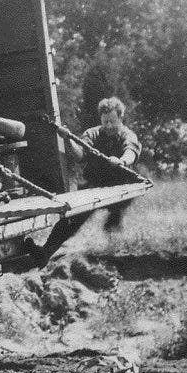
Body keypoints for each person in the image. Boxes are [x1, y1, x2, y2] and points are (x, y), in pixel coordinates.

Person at [26, 96, 142, 265]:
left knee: (113, 223)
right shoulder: (92, 134)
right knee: (70, 220)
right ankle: (44, 254)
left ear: (121, 118)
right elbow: (80, 156)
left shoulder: (128, 135)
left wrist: (122, 161)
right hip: (95, 186)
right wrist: (68, 140)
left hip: (120, 188)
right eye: (105, 122)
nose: (108, 126)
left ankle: (116, 246)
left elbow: (131, 151)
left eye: (112, 122)